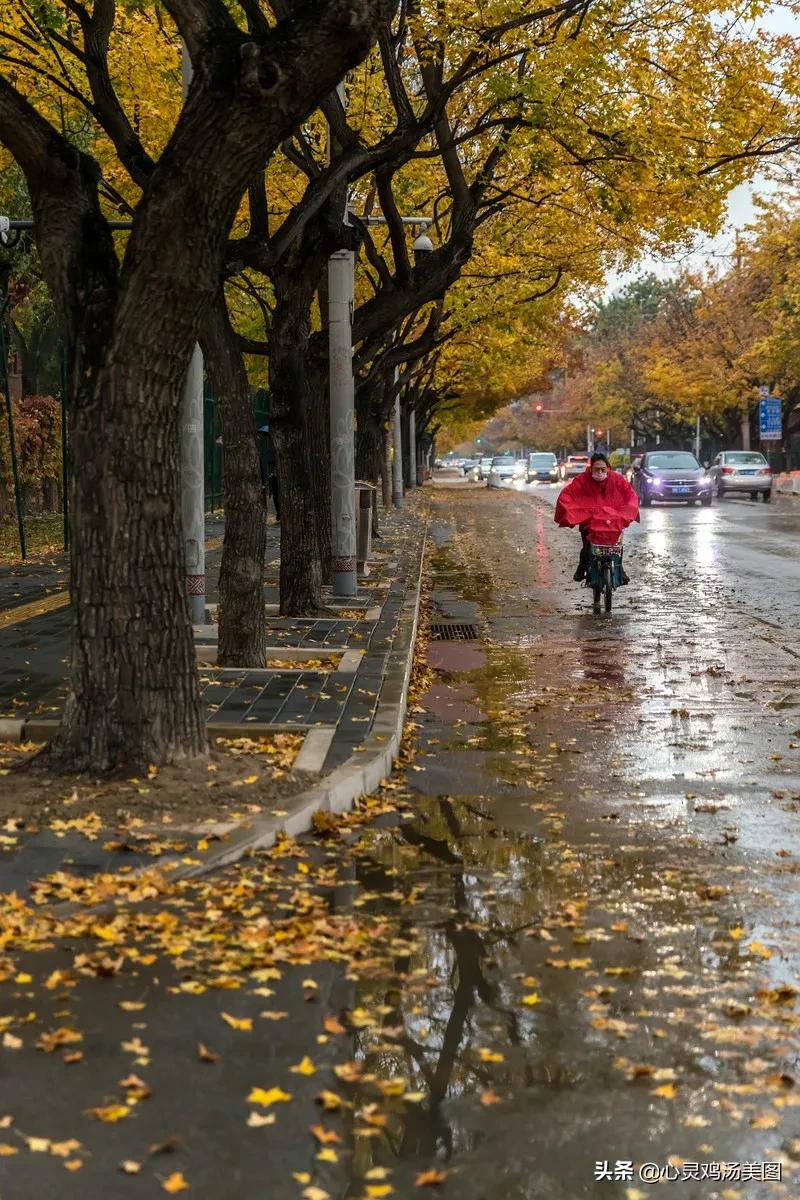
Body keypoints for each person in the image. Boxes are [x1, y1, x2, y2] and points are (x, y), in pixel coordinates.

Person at [554, 452, 639, 584]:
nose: (600, 472)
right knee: (587, 547)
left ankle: (619, 570)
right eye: (596, 469)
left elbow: (629, 494)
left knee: (615, 549)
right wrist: (571, 510)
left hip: (611, 523)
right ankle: (582, 567)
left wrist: (627, 510)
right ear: (591, 469)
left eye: (603, 469)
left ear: (608, 469)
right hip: (589, 523)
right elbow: (568, 494)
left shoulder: (617, 480)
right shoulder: (581, 481)